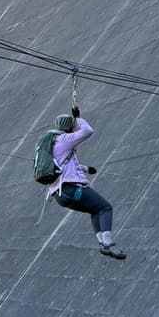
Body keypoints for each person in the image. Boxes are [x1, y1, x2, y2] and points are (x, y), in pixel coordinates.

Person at [48, 106, 126, 259]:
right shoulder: (64, 139)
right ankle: (109, 244)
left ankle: (102, 244)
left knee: (95, 210)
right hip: (71, 188)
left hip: (59, 195)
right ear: (68, 126)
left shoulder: (51, 145)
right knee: (105, 207)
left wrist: (86, 169)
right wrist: (78, 118)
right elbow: (87, 131)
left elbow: (63, 165)